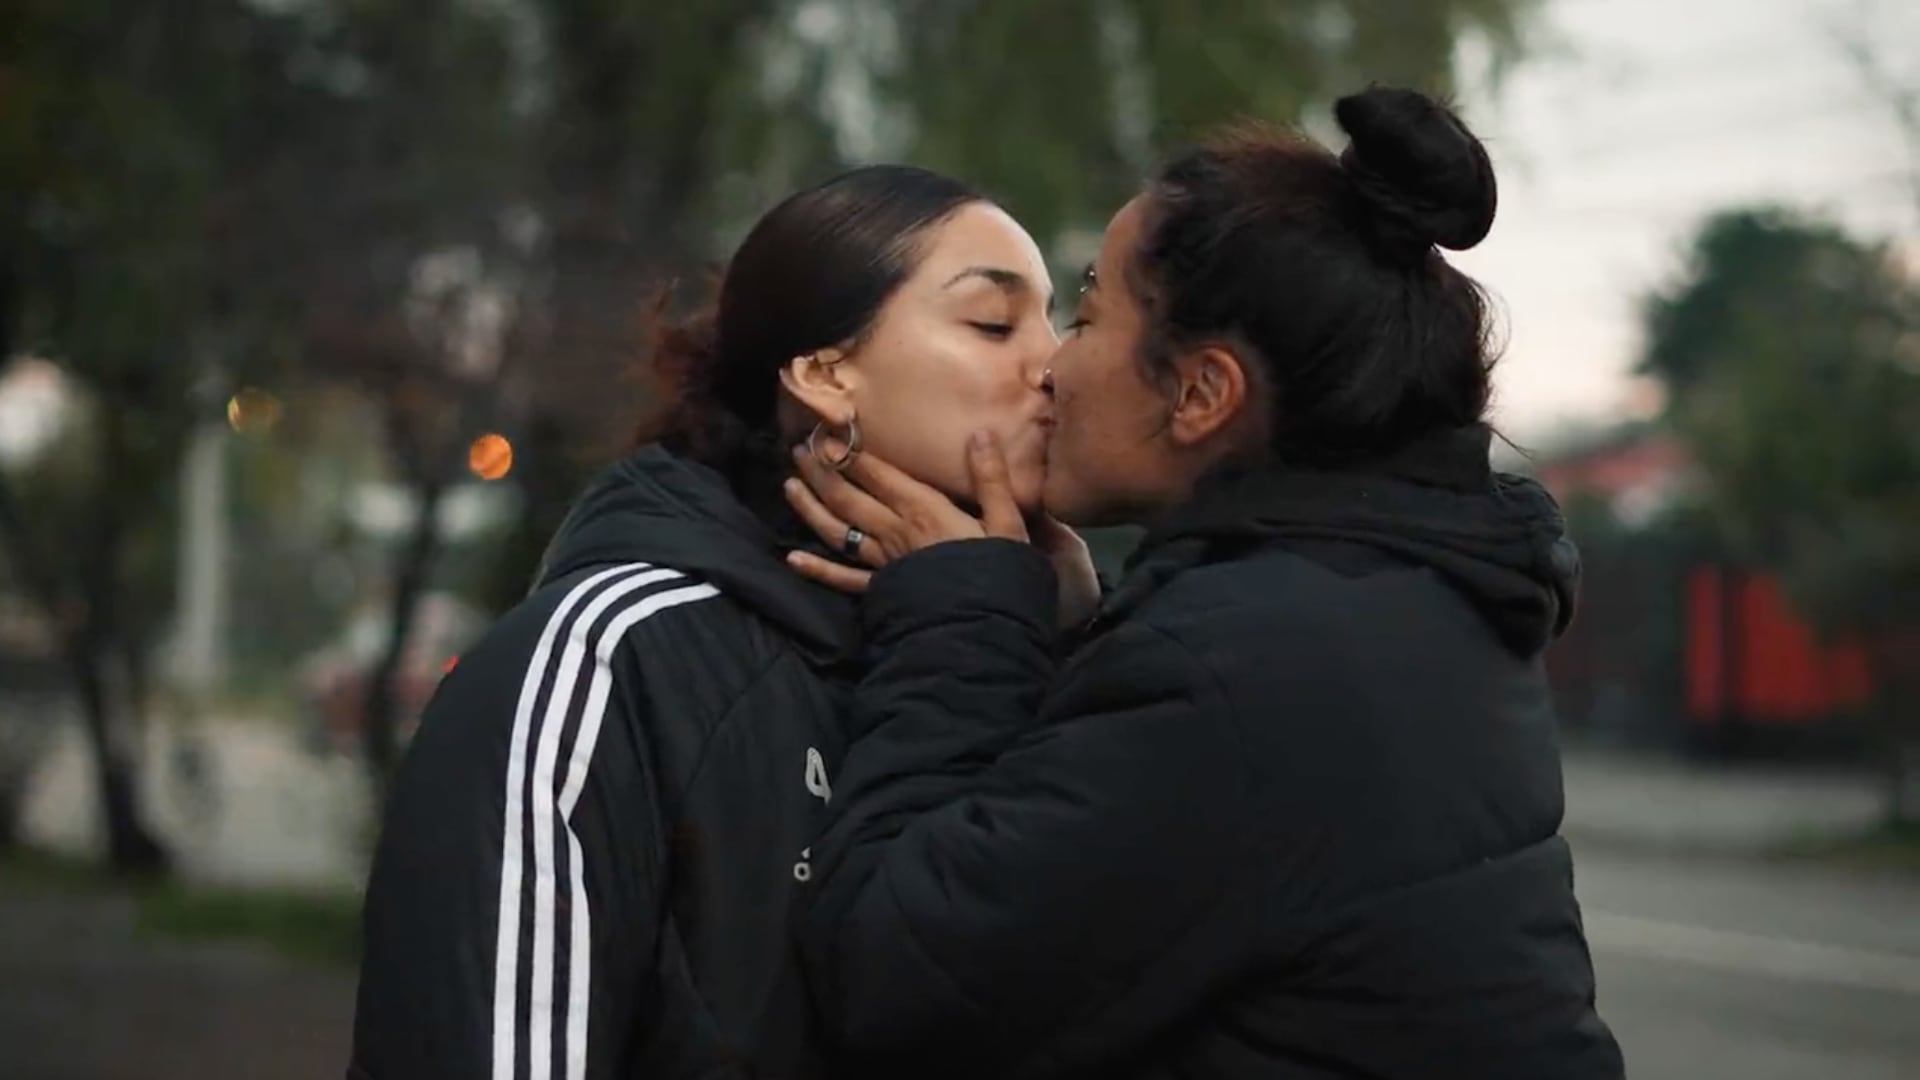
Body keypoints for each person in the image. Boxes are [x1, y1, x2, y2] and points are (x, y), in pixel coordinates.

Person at [783, 88, 1625, 1079]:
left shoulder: (1244, 664)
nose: (1049, 370)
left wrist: (959, 626)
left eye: (1086, 314)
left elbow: (893, 983)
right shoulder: (1399, 592)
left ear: (1200, 393)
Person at [347, 164, 1065, 1080]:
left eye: (1057, 321)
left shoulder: (1033, 654)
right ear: (824, 373)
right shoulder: (608, 661)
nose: (1054, 364)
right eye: (994, 323)